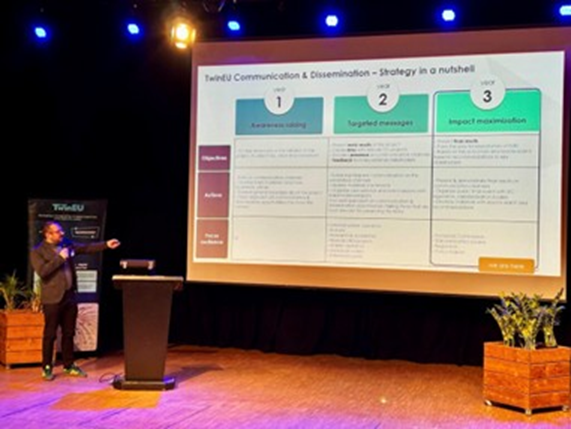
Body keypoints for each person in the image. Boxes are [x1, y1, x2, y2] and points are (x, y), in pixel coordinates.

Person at [30, 220, 121, 381]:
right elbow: (43, 272)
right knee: (50, 334)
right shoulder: (37, 251)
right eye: (58, 232)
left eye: (61, 231)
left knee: (69, 333)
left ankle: (69, 364)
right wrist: (60, 258)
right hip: (52, 298)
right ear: (48, 234)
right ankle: (47, 366)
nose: (62, 234)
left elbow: (86, 247)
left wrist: (106, 244)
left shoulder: (66, 244)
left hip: (69, 296)